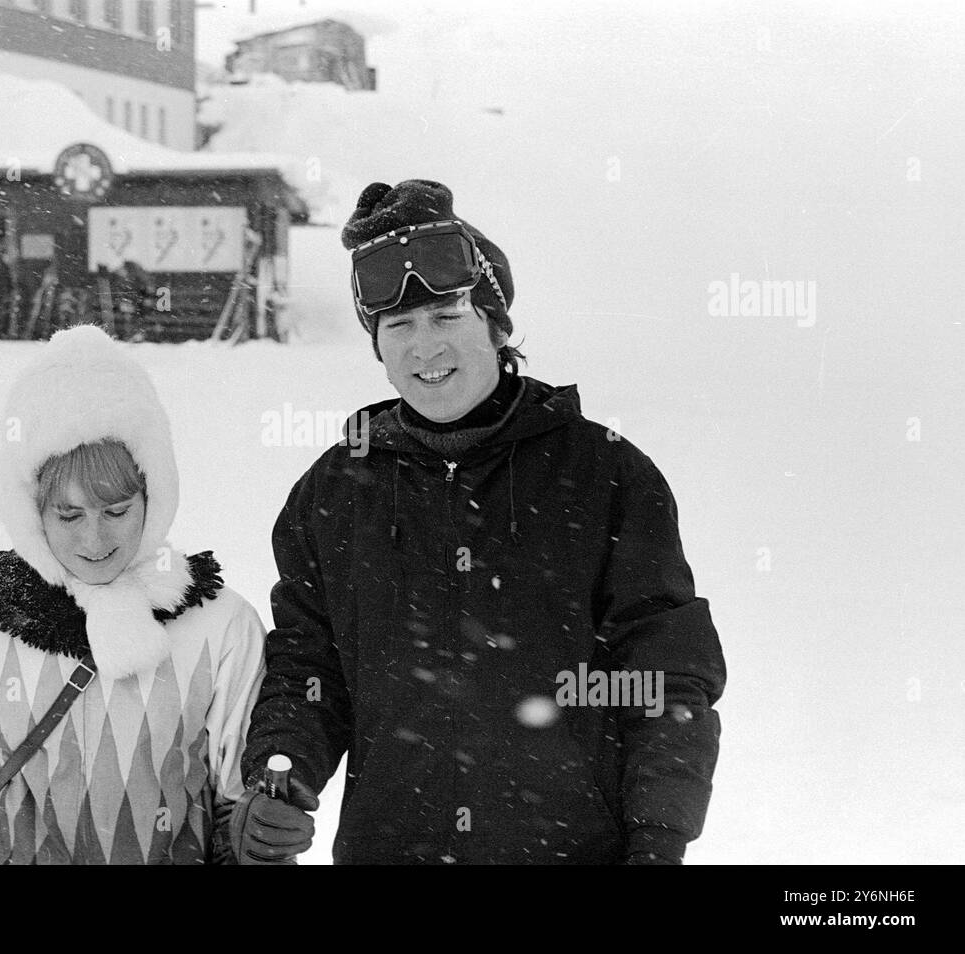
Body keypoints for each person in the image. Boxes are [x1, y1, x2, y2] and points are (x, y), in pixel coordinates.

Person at [233, 179, 727, 865]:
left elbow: (665, 676)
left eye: (446, 318)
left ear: (495, 327)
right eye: (398, 327)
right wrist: (279, 773)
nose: (423, 347)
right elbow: (310, 669)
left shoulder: (605, 477)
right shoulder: (335, 493)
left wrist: (658, 835)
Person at [0, 325, 267, 864]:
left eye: (116, 511)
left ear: (153, 498)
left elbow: (241, 804)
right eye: (68, 515)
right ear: (29, 510)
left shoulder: (220, 626)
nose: (95, 541)